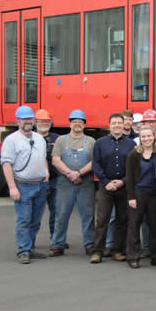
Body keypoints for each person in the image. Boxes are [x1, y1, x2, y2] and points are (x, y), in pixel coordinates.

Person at [0, 106, 50, 264]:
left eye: (30, 119)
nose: (28, 121)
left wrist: (46, 174)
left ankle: (30, 247)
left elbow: (42, 158)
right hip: (23, 186)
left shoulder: (39, 139)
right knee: (24, 219)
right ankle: (23, 250)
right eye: (24, 119)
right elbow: (6, 164)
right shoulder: (11, 140)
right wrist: (12, 187)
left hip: (40, 185)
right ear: (18, 121)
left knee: (36, 220)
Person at [90, 113, 135, 264]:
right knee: (102, 219)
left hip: (124, 187)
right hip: (105, 186)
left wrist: (122, 181)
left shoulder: (131, 144)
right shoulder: (100, 143)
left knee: (122, 220)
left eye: (119, 123)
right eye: (114, 123)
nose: (117, 125)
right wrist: (105, 181)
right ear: (109, 125)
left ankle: (118, 250)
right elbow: (96, 164)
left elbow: (134, 167)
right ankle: (97, 251)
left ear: (124, 125)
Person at [49, 109, 95, 257]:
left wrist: (79, 173)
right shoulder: (61, 140)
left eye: (80, 122)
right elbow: (56, 160)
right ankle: (57, 244)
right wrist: (70, 174)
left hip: (85, 182)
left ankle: (89, 244)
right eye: (74, 121)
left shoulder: (91, 141)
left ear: (84, 125)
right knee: (61, 214)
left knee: (88, 215)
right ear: (69, 124)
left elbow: (95, 162)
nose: (77, 124)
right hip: (65, 183)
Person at [125, 126, 156, 269]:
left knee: (154, 226)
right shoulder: (134, 154)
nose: (146, 139)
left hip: (154, 195)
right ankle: (133, 256)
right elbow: (129, 177)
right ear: (140, 138)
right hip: (138, 194)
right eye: (143, 136)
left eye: (149, 136)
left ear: (154, 136)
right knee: (134, 226)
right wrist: (131, 197)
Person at [35, 109, 59, 243]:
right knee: (35, 214)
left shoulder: (57, 139)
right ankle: (29, 242)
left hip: (55, 180)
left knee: (56, 212)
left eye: (47, 121)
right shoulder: (30, 138)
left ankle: (55, 240)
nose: (44, 123)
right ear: (35, 122)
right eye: (41, 121)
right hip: (37, 182)